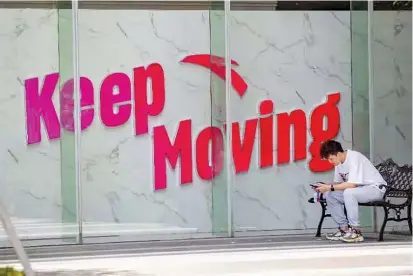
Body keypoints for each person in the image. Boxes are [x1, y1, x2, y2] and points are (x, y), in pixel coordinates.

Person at [315, 140, 387, 242]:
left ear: (338, 153)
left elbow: (351, 185)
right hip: (359, 190)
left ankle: (355, 231)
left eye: (331, 159)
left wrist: (330, 187)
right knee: (330, 194)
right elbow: (337, 183)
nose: (330, 162)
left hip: (375, 189)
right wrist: (325, 186)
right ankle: (344, 229)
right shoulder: (339, 163)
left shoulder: (354, 157)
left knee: (349, 192)